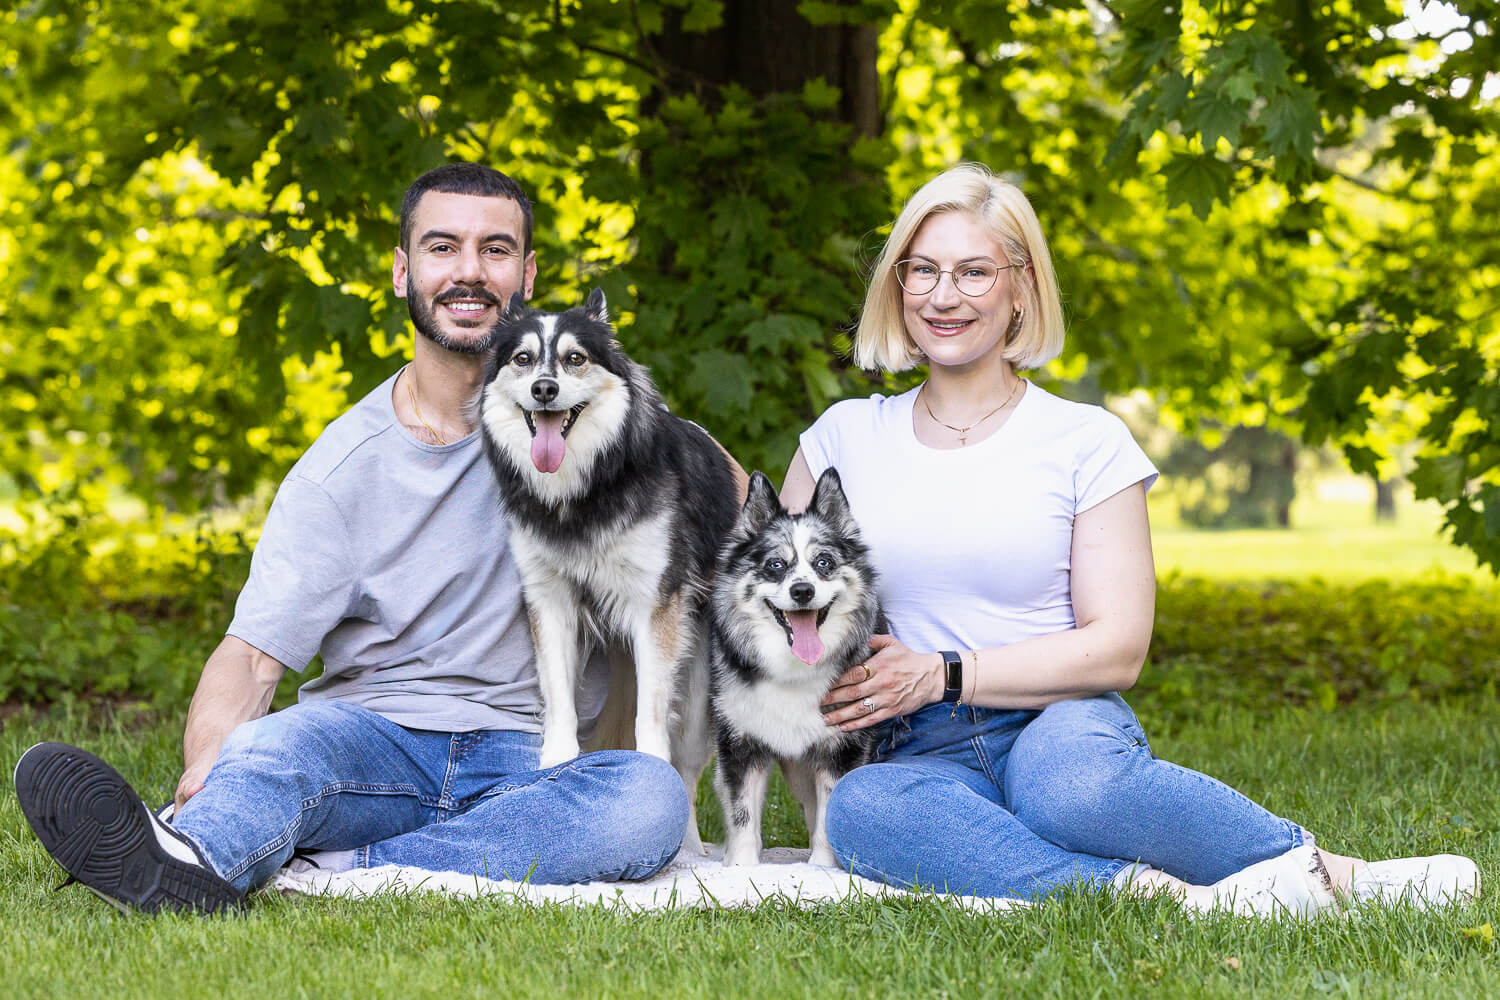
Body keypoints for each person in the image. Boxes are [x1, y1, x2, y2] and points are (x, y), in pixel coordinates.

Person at [779, 163, 1480, 914]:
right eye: (923, 271)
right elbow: (766, 622)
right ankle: (1154, 898)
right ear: (898, 285)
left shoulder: (1086, 440)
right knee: (866, 813)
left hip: (1058, 720)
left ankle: (1336, 875)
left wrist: (943, 673)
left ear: (1021, 288)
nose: (943, 296)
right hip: (909, 746)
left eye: (973, 272)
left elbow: (1118, 648)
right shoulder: (841, 441)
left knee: (1072, 792)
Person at [15, 163, 690, 913]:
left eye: (495, 250)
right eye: (442, 248)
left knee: (645, 799)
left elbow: (744, 514)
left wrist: (840, 648)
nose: (469, 271)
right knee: (271, 751)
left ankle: (342, 869)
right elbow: (250, 658)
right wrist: (213, 770)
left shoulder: (605, 429)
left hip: (528, 758)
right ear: (404, 271)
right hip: (374, 742)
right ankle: (188, 851)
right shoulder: (339, 471)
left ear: (526, 274)